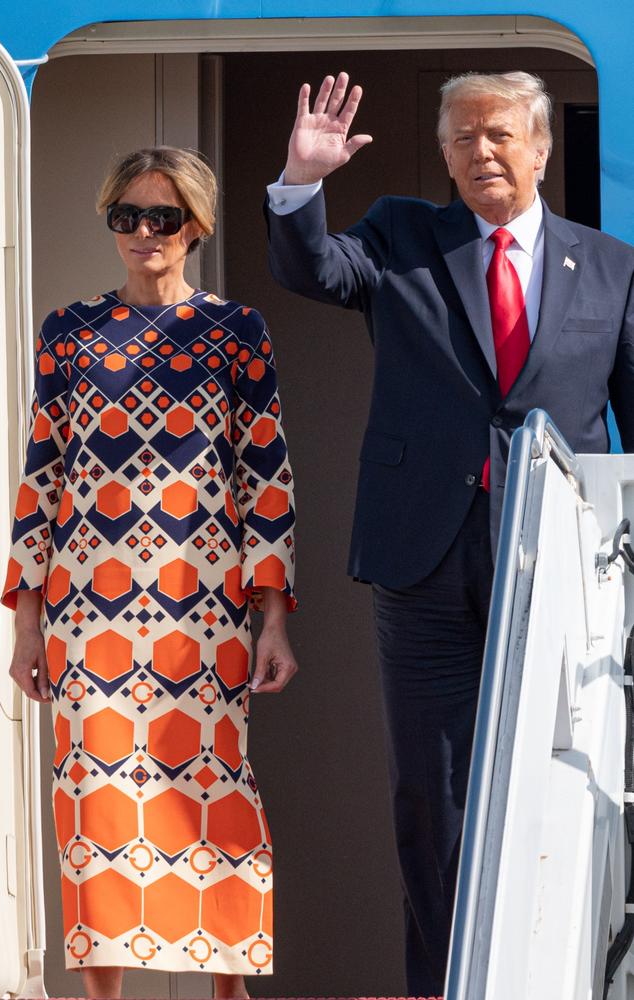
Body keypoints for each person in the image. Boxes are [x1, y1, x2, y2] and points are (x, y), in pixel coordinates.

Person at [264, 70, 634, 996]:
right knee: (433, 795)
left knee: (560, 780)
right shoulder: (401, 236)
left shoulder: (613, 265)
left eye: (501, 135)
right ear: (444, 154)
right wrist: (301, 183)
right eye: (463, 139)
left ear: (542, 147)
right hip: (422, 557)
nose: (482, 152)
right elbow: (312, 269)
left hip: (557, 566)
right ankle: (440, 984)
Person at [3, 146, 298, 1000]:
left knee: (214, 788)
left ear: (194, 226)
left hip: (201, 607)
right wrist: (25, 623)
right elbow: (41, 480)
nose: (142, 232)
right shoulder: (69, 330)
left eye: (162, 217)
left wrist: (272, 619)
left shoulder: (236, 332)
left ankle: (229, 986)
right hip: (86, 609)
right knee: (97, 797)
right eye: (125, 216)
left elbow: (266, 479)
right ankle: (104, 994)